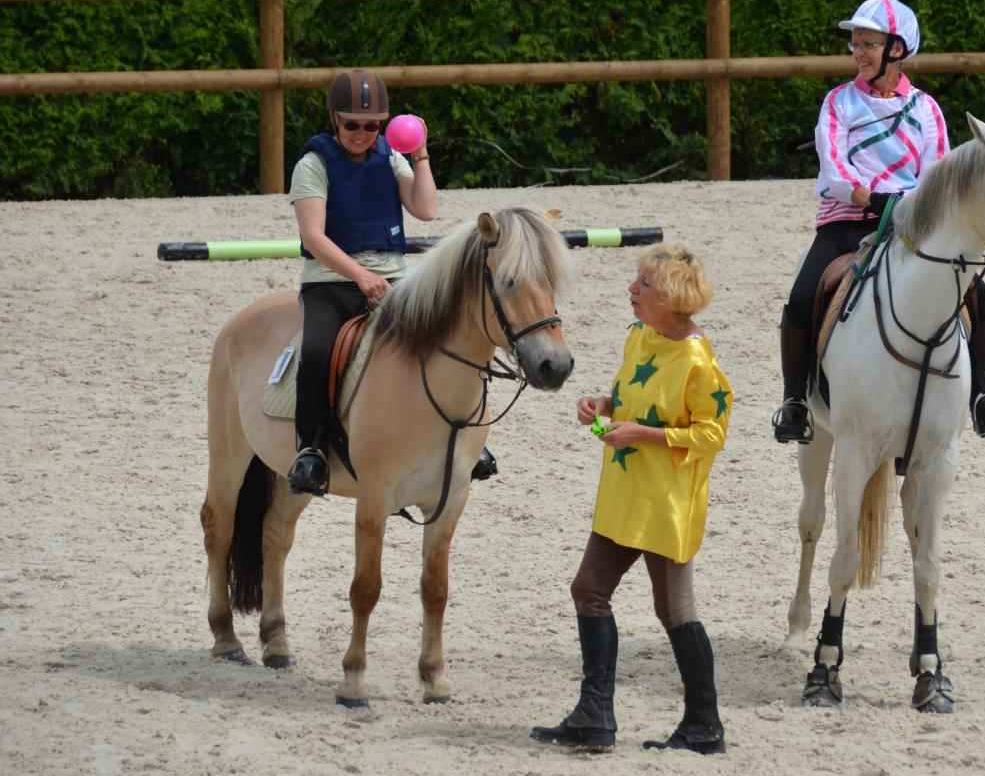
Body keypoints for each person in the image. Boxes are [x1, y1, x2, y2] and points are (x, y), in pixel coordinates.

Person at [771, 0, 985, 445]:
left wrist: (909, 207)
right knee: (803, 294)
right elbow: (835, 167)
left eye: (868, 43)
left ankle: (983, 393)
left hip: (912, 225)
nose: (858, 52)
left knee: (977, 293)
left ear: (897, 50)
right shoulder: (838, 102)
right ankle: (794, 401)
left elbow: (937, 173)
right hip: (848, 219)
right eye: (855, 44)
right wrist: (874, 197)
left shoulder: (926, 109)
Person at [531, 244, 733, 755]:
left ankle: (704, 726)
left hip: (666, 504)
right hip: (623, 495)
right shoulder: (640, 336)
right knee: (589, 589)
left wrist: (644, 435)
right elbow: (627, 397)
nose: (632, 291)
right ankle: (595, 715)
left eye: (642, 285)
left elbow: (712, 434)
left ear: (667, 296)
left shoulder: (698, 362)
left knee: (675, 611)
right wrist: (601, 404)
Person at [285, 69, 498, 495]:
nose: (363, 133)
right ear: (334, 120)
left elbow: (426, 209)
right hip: (333, 279)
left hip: (395, 277)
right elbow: (313, 236)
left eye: (372, 125)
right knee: (318, 349)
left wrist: (420, 155)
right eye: (352, 125)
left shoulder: (392, 157)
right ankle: (311, 450)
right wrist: (360, 275)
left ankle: (466, 435)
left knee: (452, 334)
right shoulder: (313, 164)